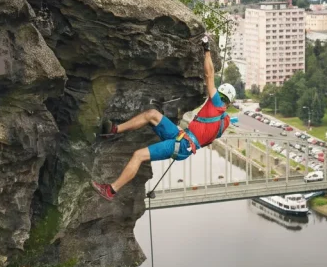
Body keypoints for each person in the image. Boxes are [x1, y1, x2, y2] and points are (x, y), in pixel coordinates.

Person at [91, 36, 236, 201]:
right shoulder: (224, 123)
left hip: (182, 144)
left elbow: (209, 75)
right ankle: (114, 130)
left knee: (138, 155)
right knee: (152, 114)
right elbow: (207, 140)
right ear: (230, 103)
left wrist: (207, 49)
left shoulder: (216, 103)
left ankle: (111, 190)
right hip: (183, 139)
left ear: (220, 96)